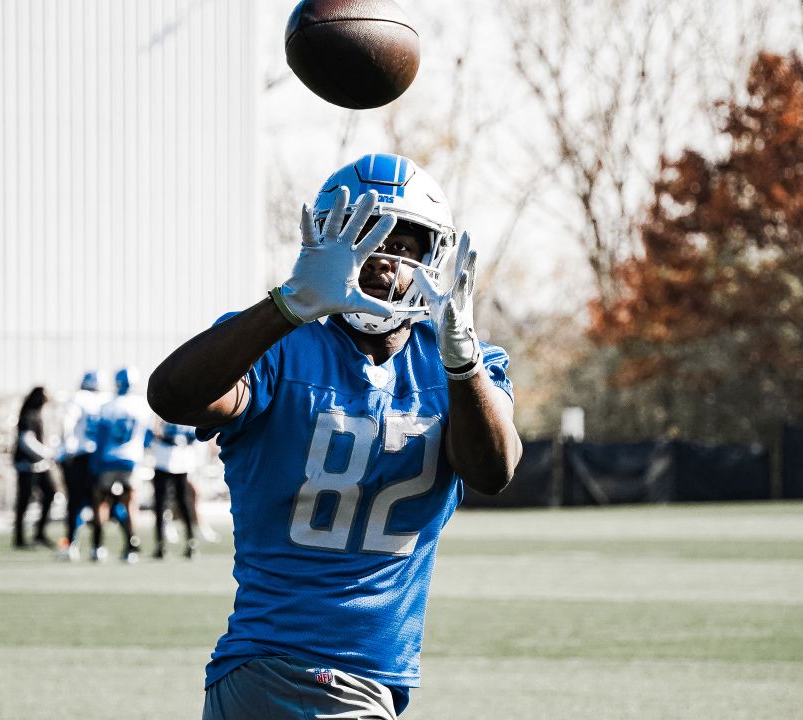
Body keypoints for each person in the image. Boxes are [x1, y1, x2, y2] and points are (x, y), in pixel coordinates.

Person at [147, 153, 521, 719]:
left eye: (405, 243)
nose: (383, 261)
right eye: (367, 237)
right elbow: (173, 395)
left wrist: (463, 365)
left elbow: (494, 472)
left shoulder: (456, 364)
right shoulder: (278, 345)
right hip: (293, 670)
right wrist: (288, 304)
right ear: (327, 243)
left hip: (342, 680)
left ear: (433, 256)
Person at [89, 366, 151, 563]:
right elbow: (148, 436)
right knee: (130, 504)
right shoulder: (142, 406)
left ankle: (98, 546)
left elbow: (101, 436)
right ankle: (131, 546)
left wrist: (96, 461)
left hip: (109, 458)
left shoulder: (108, 406)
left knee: (101, 502)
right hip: (132, 460)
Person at [57, 370, 107, 561]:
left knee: (74, 503)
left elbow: (66, 424)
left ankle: (71, 545)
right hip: (98, 457)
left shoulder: (77, 399)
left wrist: (66, 447)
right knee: (97, 504)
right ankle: (98, 547)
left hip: (78, 455)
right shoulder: (104, 400)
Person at [144, 420, 199, 559]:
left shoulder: (181, 411)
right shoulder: (164, 410)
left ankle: (190, 541)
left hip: (178, 461)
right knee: (162, 504)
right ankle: (162, 543)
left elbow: (195, 435)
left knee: (182, 503)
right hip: (167, 460)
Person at [13, 386, 57, 549]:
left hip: (39, 465)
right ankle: (19, 538)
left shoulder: (38, 415)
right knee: (23, 501)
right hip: (27, 466)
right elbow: (27, 441)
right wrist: (47, 453)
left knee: (50, 493)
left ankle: (39, 533)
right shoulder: (28, 416)